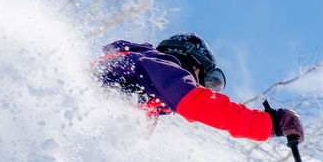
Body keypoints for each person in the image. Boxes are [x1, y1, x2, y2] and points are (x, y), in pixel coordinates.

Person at [92, 33, 304, 142]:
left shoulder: (149, 98)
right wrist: (268, 124)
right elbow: (198, 103)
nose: (202, 87)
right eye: (206, 80)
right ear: (192, 61)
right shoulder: (158, 63)